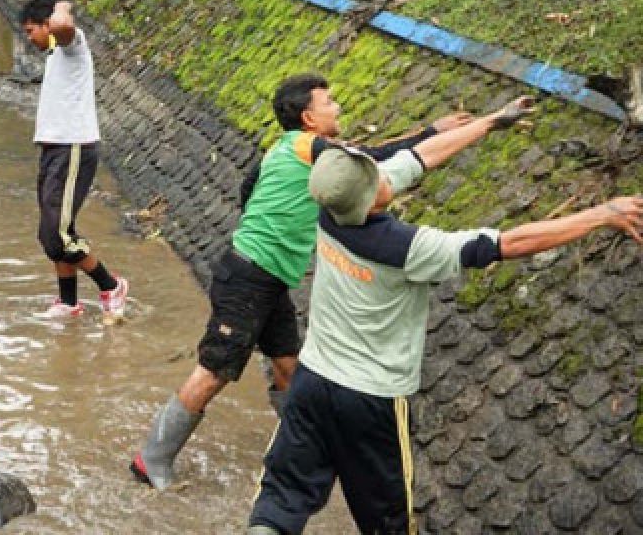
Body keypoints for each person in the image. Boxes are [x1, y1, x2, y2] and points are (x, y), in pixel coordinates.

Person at [247, 133, 642, 535]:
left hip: (312, 380)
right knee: (388, 520)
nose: (384, 176)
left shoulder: (330, 214)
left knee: (280, 498)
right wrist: (602, 214)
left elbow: (412, 160)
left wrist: (489, 122)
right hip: (369, 399)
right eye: (374, 176)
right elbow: (512, 242)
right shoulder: (408, 248)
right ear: (372, 198)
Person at [130, 73, 505, 490]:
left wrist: (432, 131)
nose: (337, 108)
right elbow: (372, 160)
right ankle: (152, 459)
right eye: (330, 102)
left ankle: (303, 451)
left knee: (290, 365)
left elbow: (249, 187)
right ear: (309, 117)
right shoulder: (311, 148)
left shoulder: (287, 148)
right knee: (215, 370)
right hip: (250, 278)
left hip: (265, 278)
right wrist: (440, 133)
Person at [18, 0, 129, 319]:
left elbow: (63, 24)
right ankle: (68, 302)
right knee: (49, 232)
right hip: (55, 150)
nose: (28, 38)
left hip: (74, 147)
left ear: (46, 25)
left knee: (58, 234)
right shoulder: (56, 54)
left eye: (30, 31)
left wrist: (63, 5)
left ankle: (110, 285)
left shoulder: (72, 45)